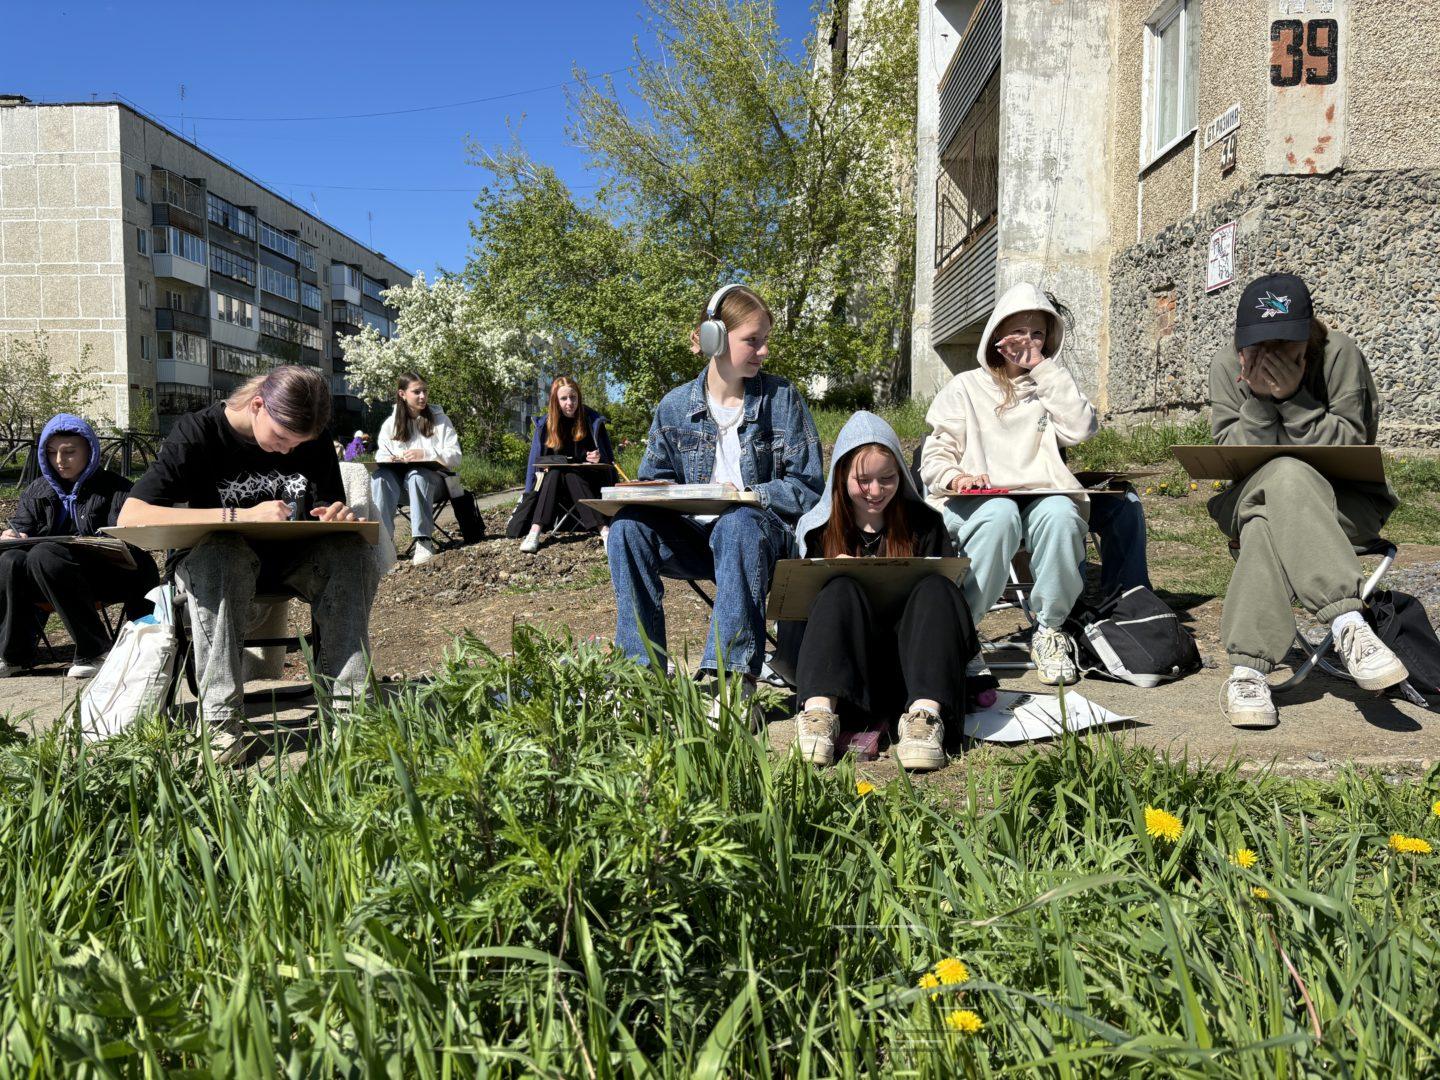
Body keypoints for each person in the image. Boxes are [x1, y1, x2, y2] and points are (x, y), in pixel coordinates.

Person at [117, 365, 378, 756]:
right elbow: (131, 515)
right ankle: (220, 724)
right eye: (281, 438)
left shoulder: (312, 438)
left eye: (298, 443)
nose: (289, 450)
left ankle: (350, 717)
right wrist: (239, 516)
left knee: (352, 552)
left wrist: (335, 514)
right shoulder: (197, 433)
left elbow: (323, 503)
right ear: (257, 405)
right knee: (225, 555)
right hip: (211, 564)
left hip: (290, 561)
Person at [606, 284, 823, 707]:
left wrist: (747, 495)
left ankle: (733, 684)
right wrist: (645, 492)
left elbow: (809, 486)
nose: (763, 352)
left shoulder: (782, 399)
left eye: (765, 341)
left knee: (738, 522)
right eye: (753, 341)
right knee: (628, 528)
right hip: (698, 542)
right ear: (716, 340)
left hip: (761, 539)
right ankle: (641, 678)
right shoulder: (673, 407)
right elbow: (657, 482)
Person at [1209, 273, 1407, 727]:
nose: (1269, 357)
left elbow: (1352, 446)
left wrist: (1295, 400)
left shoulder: (1340, 356)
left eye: (1285, 347)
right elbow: (1230, 457)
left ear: (1309, 338)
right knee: (1280, 476)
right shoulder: (1227, 364)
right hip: (1248, 494)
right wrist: (1260, 401)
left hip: (1343, 506)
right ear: (1241, 341)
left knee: (1268, 516)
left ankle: (1248, 670)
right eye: (1256, 347)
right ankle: (1348, 625)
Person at [919, 282, 1099, 685]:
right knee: (1000, 516)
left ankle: (1050, 630)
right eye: (1019, 333)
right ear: (997, 336)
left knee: (1061, 513)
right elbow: (934, 456)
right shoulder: (966, 387)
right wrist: (957, 477)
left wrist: (1045, 370)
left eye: (1039, 334)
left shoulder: (1048, 385)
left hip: (1038, 493)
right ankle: (962, 632)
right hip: (980, 498)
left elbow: (1082, 428)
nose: (1029, 344)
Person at [780, 412, 979, 771]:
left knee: (937, 586)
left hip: (912, 671)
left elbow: (950, 606)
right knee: (838, 586)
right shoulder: (817, 532)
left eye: (887, 479)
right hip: (843, 675)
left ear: (901, 476)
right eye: (863, 480)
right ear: (841, 477)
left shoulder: (924, 524)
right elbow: (797, 616)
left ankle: (925, 720)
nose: (875, 491)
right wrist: (829, 572)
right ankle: (819, 717)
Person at [1, 414, 158, 678]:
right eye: (51, 453)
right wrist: (11, 536)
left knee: (45, 553)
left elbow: (130, 540)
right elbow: (21, 525)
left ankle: (94, 650)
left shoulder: (115, 488)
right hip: (47, 579)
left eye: (69, 452)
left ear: (90, 450)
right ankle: (13, 655)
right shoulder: (37, 490)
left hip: (107, 576)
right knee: (10, 559)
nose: (59, 461)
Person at [371, 372, 462, 565]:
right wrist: (391, 458)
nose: (423, 396)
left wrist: (426, 453)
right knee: (381, 477)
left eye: (425, 391)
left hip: (435, 484)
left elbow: (455, 457)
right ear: (402, 394)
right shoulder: (391, 424)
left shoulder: (440, 420)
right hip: (401, 487)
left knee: (417, 475)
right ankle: (384, 544)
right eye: (417, 392)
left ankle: (424, 541)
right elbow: (380, 454)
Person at [518, 376, 615, 553]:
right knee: (555, 473)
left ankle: (605, 531)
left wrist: (597, 457)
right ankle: (534, 531)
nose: (569, 403)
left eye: (573, 397)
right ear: (556, 401)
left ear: (579, 398)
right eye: (564, 398)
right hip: (554, 489)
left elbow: (608, 460)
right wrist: (528, 492)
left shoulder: (590, 421)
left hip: (587, 484)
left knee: (571, 474)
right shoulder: (546, 425)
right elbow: (536, 462)